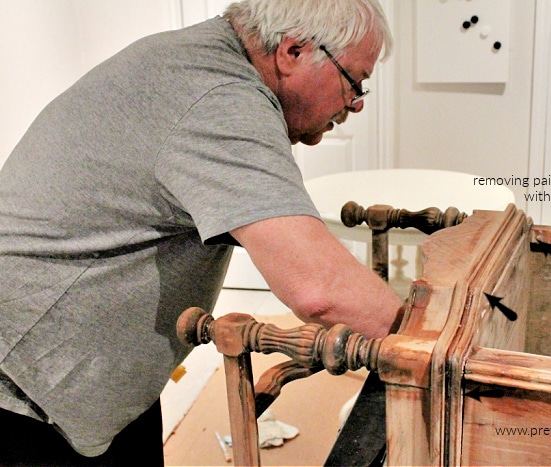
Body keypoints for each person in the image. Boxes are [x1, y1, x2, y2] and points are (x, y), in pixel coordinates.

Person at [0, 0, 404, 464]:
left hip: (79, 373)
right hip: (24, 379)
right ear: (293, 51)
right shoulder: (220, 96)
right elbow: (319, 288)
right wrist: (440, 351)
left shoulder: (198, 58)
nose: (355, 102)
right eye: (355, 82)